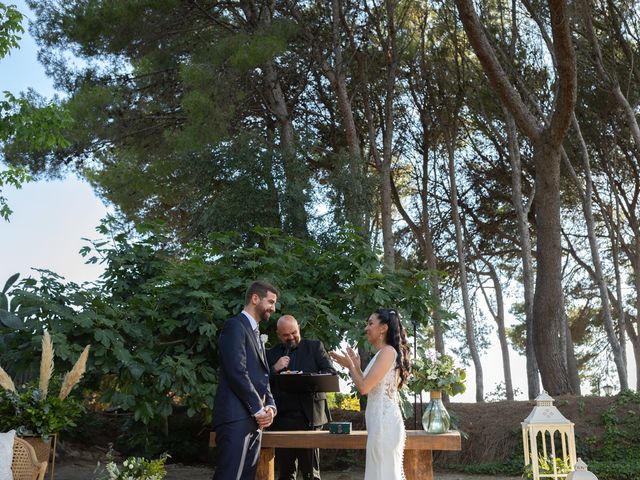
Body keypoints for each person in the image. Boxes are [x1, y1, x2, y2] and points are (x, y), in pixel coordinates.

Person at [329, 308, 411, 480]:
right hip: (378, 423)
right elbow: (369, 389)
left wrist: (351, 366)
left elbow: (364, 387)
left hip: (385, 424)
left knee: (383, 474)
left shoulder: (388, 352)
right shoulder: (382, 353)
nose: (366, 328)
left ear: (383, 328)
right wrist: (356, 367)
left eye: (370, 323)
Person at [212, 281, 280, 480]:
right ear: (255, 298)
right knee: (230, 476)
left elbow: (262, 377)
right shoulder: (235, 326)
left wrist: (271, 408)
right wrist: (259, 409)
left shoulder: (256, 334)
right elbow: (237, 372)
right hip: (235, 418)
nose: (273, 308)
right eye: (271, 301)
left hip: (254, 421)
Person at [266, 315, 336, 480]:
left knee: (311, 473)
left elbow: (331, 373)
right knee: (285, 473)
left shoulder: (315, 347)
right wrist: (275, 368)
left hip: (309, 417)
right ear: (278, 335)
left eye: (294, 332)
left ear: (299, 329)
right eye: (286, 335)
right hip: (282, 418)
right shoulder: (272, 353)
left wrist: (307, 378)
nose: (291, 337)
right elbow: (259, 380)